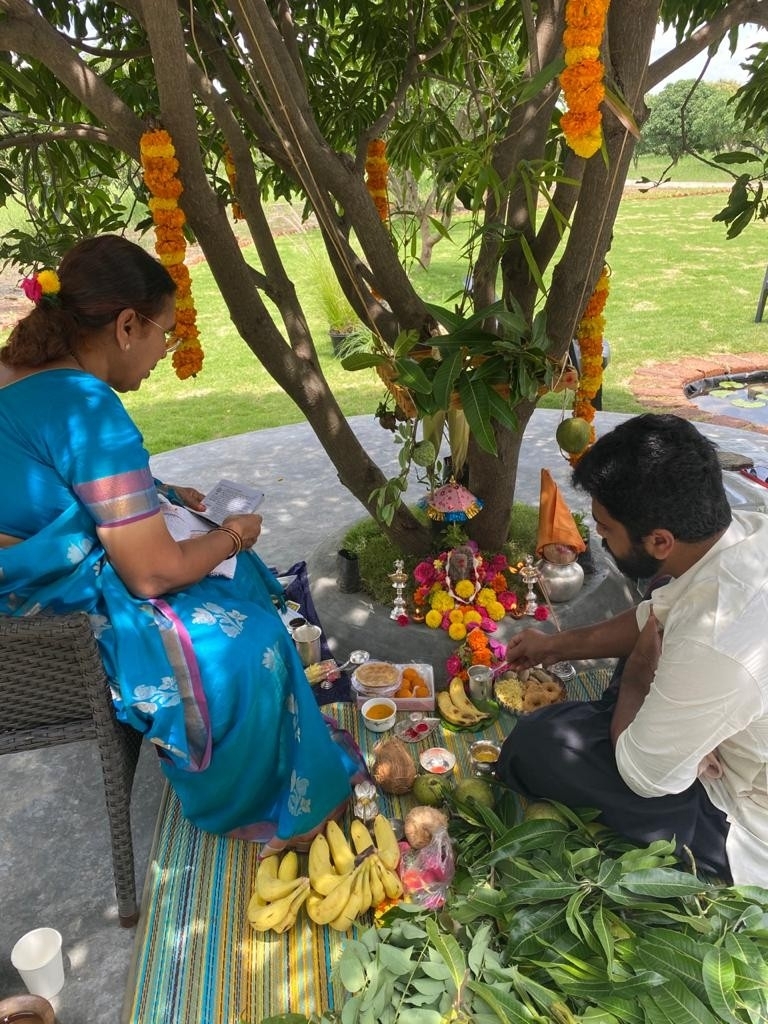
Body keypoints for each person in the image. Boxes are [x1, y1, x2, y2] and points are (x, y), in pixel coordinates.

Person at [0, 234, 365, 853]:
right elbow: (150, 574)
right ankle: (267, 803)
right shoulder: (85, 408)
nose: (165, 351)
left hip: (23, 584)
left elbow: (40, 485)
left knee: (238, 577)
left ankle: (273, 734)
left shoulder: (17, 371)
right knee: (248, 639)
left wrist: (156, 490)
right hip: (53, 612)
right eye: (163, 332)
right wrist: (229, 534)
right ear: (125, 326)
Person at [497, 413, 768, 885]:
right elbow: (655, 615)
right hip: (719, 710)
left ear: (660, 540)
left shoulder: (714, 637)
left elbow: (645, 777)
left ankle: (643, 733)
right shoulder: (741, 534)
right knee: (656, 605)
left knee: (535, 743)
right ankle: (648, 727)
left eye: (604, 528)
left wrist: (643, 664)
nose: (596, 537)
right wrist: (555, 647)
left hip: (734, 816)